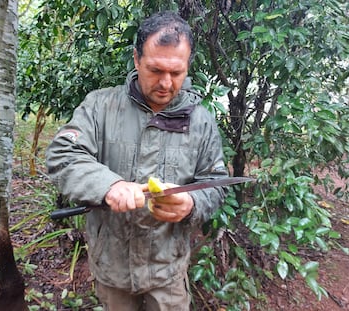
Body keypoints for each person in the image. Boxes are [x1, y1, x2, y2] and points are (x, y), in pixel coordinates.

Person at [46, 11, 228, 311]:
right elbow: (63, 154)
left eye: (177, 72)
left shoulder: (201, 121)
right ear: (136, 59)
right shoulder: (100, 107)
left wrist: (191, 204)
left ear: (188, 66)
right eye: (155, 70)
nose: (166, 83)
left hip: (167, 271)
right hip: (112, 267)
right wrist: (109, 185)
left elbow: (217, 183)